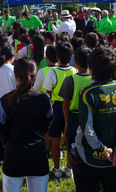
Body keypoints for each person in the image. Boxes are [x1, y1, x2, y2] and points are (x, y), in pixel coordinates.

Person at [73, 47, 116, 192]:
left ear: (91, 68)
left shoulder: (87, 93)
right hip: (113, 156)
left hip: (88, 155)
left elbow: (87, 128)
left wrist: (101, 149)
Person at [0, 57, 53, 192]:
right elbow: (48, 123)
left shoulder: (5, 101)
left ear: (15, 75)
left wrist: (7, 142)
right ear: (35, 75)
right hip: (37, 155)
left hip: (13, 155)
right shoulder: (44, 98)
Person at [42, 41, 77, 179]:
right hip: (71, 108)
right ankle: (69, 168)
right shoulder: (74, 71)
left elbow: (48, 93)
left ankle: (56, 168)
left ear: (57, 56)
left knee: (55, 139)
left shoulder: (52, 72)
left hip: (56, 107)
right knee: (70, 138)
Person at [58, 47, 92, 181]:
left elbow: (65, 104)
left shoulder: (70, 80)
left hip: (74, 116)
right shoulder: (94, 79)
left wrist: (66, 120)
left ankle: (69, 168)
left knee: (71, 144)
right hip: (90, 115)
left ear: (75, 62)